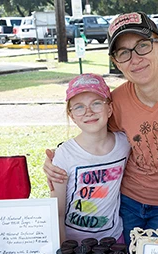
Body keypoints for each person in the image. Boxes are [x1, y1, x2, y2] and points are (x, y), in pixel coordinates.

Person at [44, 11, 158, 244]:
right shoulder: (117, 101)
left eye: (142, 46)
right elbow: (94, 136)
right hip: (126, 203)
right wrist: (58, 158)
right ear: (116, 62)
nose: (134, 59)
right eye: (123, 53)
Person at [51, 73, 130, 243]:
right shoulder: (64, 154)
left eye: (96, 103)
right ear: (71, 115)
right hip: (74, 244)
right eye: (79, 107)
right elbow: (56, 211)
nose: (88, 112)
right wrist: (64, 251)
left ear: (109, 109)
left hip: (113, 240)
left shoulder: (124, 144)